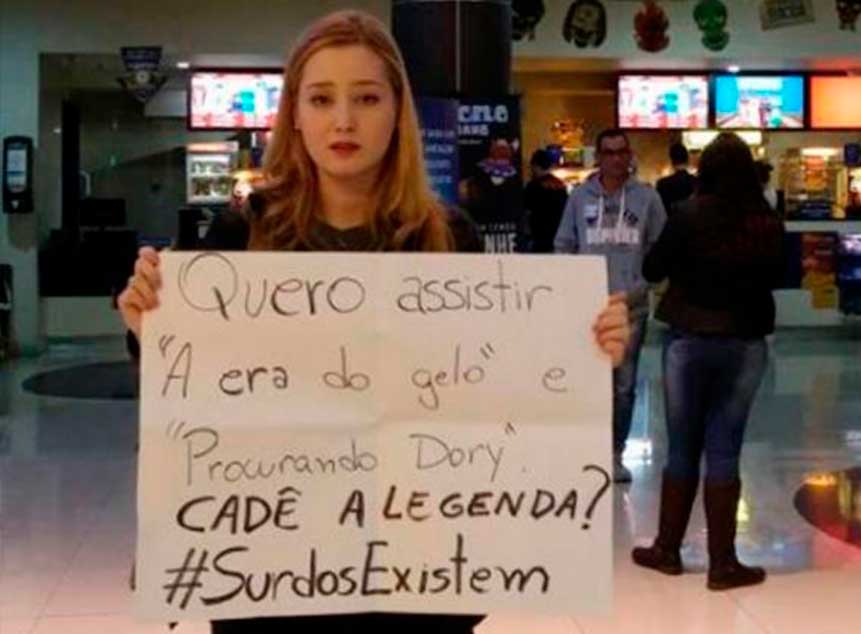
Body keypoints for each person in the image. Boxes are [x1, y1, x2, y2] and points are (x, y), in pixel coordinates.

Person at [116, 10, 631, 633]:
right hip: (268, 579)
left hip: (419, 583)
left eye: (366, 97)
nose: (343, 120)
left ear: (397, 113)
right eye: (321, 98)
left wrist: (584, 349)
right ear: (295, 116)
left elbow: (500, 397)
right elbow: (192, 401)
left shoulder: (448, 238)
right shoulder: (241, 236)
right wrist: (152, 327)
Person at [633, 133, 784, 591]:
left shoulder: (687, 214)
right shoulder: (765, 220)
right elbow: (780, 273)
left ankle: (668, 550)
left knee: (681, 446)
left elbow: (652, 270)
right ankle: (723, 564)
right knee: (725, 448)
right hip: (745, 342)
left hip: (689, 340)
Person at [554, 128, 667, 484]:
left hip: (630, 307)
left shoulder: (647, 199)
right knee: (588, 383)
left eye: (622, 152)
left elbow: (660, 250)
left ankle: (614, 453)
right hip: (587, 308)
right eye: (609, 152)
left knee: (624, 385)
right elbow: (564, 244)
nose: (616, 159)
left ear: (629, 155)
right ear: (598, 156)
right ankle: (586, 451)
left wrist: (642, 286)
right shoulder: (579, 197)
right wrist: (571, 288)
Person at [523, 149, 568, 253]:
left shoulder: (533, 186)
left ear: (535, 166)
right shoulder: (560, 184)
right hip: (558, 235)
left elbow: (526, 210)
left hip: (539, 237)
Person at [655, 142, 696, 216]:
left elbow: (659, 211)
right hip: (693, 224)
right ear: (687, 159)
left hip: (671, 224)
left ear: (671, 160)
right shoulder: (696, 182)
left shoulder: (663, 184)